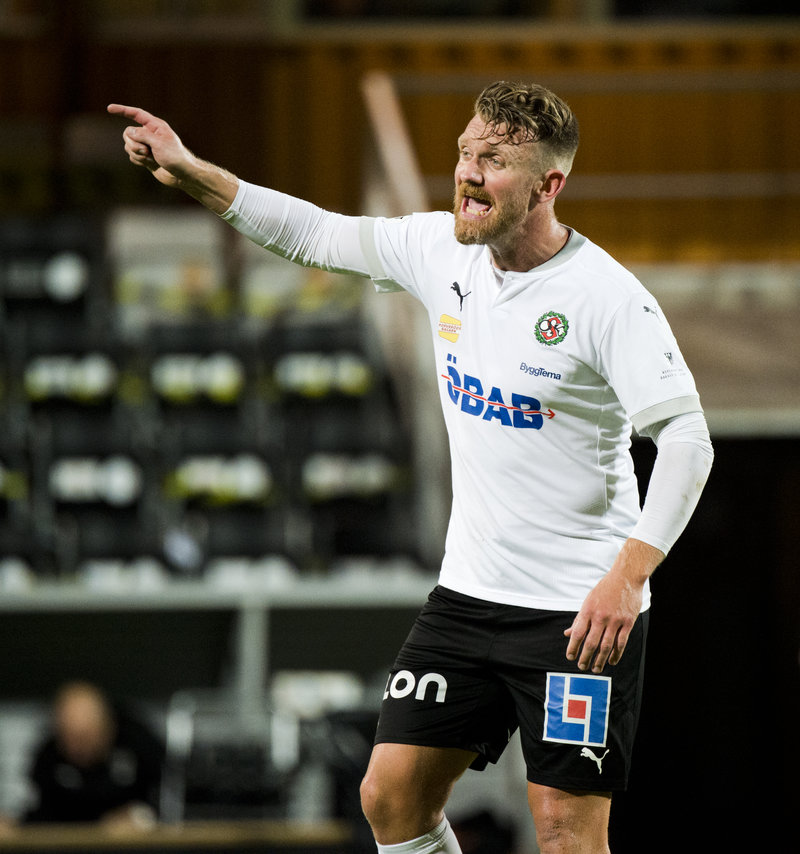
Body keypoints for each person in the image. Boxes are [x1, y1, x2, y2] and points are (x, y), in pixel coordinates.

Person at [108, 81, 713, 854]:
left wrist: (628, 576)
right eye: (464, 151)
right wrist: (191, 169)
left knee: (564, 830)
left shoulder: (606, 300)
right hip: (468, 598)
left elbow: (688, 440)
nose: (466, 173)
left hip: (576, 613)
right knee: (390, 795)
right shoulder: (437, 252)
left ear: (547, 185)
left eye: (493, 161)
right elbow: (313, 233)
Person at [23, 681, 164, 828]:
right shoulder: (48, 757)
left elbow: (171, 800)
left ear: (108, 728)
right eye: (69, 737)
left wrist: (141, 816)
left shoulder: (139, 744)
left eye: (85, 737)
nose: (77, 747)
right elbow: (39, 815)